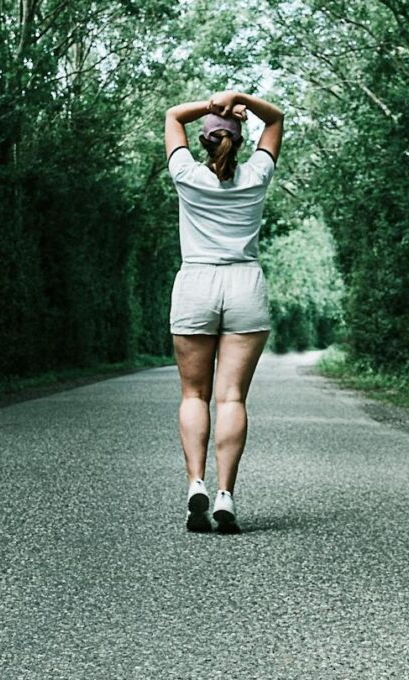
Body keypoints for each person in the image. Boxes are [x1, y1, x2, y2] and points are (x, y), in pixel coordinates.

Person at [163, 90, 284, 534]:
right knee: (231, 397)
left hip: (196, 283)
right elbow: (277, 119)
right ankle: (225, 494)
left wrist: (214, 106)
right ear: (239, 138)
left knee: (194, 395)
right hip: (243, 285)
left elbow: (174, 114)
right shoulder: (256, 175)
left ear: (205, 141)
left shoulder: (186, 174)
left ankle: (195, 481)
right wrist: (241, 100)